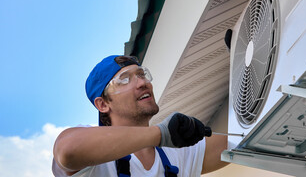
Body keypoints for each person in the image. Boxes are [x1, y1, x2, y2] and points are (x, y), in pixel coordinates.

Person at [52, 55, 228, 176]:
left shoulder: (179, 152)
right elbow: (67, 150)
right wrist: (161, 134)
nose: (143, 83)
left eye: (141, 75)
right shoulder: (94, 164)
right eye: (125, 79)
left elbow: (243, 141)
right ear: (103, 104)